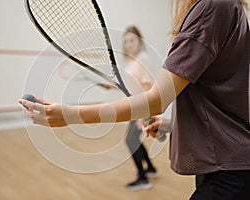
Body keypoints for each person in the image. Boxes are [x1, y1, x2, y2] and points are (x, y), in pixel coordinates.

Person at [20, 0, 250, 199]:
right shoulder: (230, 7)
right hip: (229, 163)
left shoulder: (211, 7)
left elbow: (156, 99)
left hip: (229, 169)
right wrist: (173, 123)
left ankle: (144, 174)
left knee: (131, 143)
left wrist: (72, 115)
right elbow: (221, 97)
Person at [104, 25, 159, 190]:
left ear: (139, 41)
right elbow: (129, 84)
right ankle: (150, 168)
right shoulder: (131, 61)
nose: (128, 44)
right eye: (126, 41)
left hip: (140, 106)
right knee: (134, 139)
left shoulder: (143, 57)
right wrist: (111, 86)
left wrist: (143, 113)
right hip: (134, 105)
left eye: (132, 40)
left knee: (130, 140)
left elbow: (147, 84)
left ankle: (143, 178)